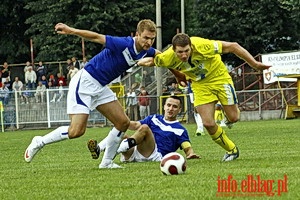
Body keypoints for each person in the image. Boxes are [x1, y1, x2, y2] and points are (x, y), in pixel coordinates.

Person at [24, 19, 160, 169]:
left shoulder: (148, 51)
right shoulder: (124, 43)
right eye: (146, 38)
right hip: (85, 82)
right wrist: (71, 30)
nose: (149, 42)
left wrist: (179, 74)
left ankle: (106, 162)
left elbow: (163, 57)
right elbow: (96, 37)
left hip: (101, 86)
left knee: (123, 122)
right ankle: (39, 141)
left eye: (152, 39)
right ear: (137, 34)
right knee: (76, 131)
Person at [140, 33, 271, 162]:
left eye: (187, 51)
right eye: (180, 52)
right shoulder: (167, 56)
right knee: (208, 123)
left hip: (219, 78)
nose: (184, 55)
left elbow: (233, 46)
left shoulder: (203, 46)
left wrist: (255, 64)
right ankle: (232, 150)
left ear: (191, 46)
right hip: (199, 85)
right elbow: (161, 61)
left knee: (234, 117)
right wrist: (177, 74)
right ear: (173, 50)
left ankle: (229, 116)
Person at [87, 96, 200, 163]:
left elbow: (187, 147)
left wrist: (191, 154)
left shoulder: (180, 130)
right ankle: (99, 148)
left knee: (145, 128)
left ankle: (115, 152)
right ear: (164, 106)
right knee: (121, 133)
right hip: (135, 151)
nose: (171, 109)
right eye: (169, 105)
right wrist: (120, 122)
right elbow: (135, 125)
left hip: (155, 155)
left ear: (179, 110)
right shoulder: (154, 118)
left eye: (175, 107)